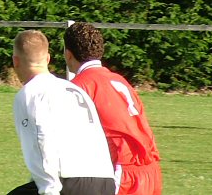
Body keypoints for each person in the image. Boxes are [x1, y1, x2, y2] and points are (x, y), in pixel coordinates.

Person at [8, 30, 115, 195]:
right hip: (105, 181)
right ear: (48, 59)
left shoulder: (30, 93)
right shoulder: (73, 89)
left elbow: (39, 140)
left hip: (71, 181)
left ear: (15, 61)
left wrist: (48, 190)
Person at [64, 22, 162, 195]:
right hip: (151, 169)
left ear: (68, 54)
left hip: (123, 172)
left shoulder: (79, 86)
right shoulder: (119, 80)